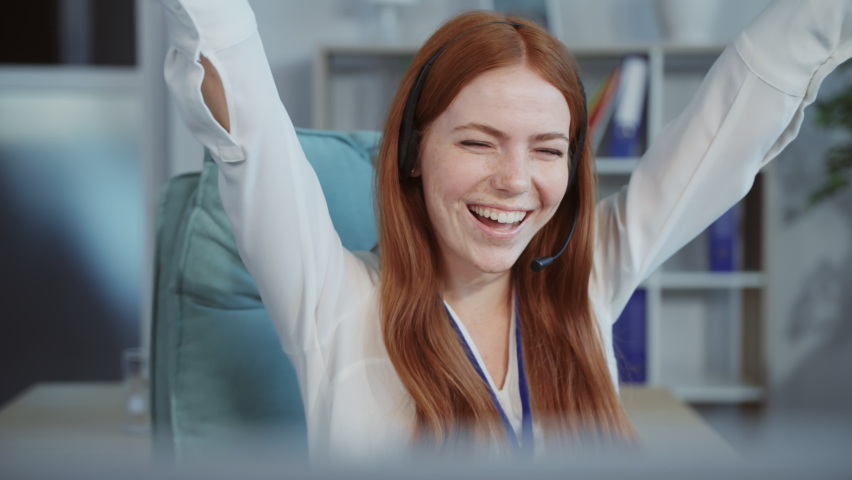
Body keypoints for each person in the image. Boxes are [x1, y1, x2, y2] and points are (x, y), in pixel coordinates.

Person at [161, 0, 852, 460]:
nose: (516, 181)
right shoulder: (337, 303)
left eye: (548, 149)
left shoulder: (585, 286)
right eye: (478, 143)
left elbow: (743, 104)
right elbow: (242, 109)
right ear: (412, 154)